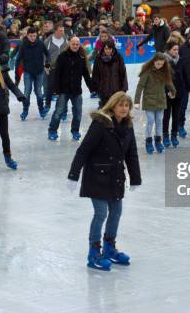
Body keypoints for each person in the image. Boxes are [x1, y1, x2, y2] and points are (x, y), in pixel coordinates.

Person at [67, 92, 141, 271]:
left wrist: (135, 178)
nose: (124, 109)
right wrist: (73, 175)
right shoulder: (101, 124)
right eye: (121, 105)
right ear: (113, 105)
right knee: (101, 213)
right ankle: (94, 253)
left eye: (127, 106)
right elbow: (83, 150)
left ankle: (109, 248)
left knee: (116, 212)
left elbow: (131, 153)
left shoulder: (128, 126)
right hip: (97, 176)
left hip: (115, 177)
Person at [48, 36, 95, 141]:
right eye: (73, 44)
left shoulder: (81, 58)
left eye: (77, 44)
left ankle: (75, 131)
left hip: (76, 91)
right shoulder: (62, 57)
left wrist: (92, 88)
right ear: (69, 44)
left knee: (78, 113)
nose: (75, 46)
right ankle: (52, 130)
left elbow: (86, 75)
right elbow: (57, 74)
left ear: (79, 45)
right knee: (59, 112)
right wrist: (56, 89)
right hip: (63, 90)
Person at [134, 53, 176, 154]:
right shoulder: (147, 72)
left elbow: (169, 83)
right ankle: (148, 141)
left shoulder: (164, 72)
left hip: (160, 100)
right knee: (151, 120)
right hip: (149, 100)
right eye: (158, 64)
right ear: (154, 61)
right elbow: (140, 86)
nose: (159, 66)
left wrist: (173, 92)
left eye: (161, 64)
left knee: (159, 121)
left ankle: (158, 142)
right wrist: (136, 101)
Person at [17, 27, 50, 121]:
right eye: (31, 36)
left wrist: (47, 62)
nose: (33, 38)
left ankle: (41, 109)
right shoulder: (23, 44)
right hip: (28, 72)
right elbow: (19, 58)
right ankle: (25, 110)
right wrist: (17, 71)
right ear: (27, 35)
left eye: (35, 36)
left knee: (39, 93)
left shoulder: (40, 43)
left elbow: (47, 54)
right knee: (27, 93)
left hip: (39, 72)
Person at [92, 39, 128, 107]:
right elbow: (95, 74)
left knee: (115, 111)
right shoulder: (98, 58)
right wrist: (95, 88)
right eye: (106, 49)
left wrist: (124, 88)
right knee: (105, 111)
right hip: (103, 90)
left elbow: (123, 73)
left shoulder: (118, 57)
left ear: (113, 48)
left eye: (109, 48)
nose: (108, 50)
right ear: (103, 49)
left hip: (116, 90)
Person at [162, 40, 184, 148]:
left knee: (176, 115)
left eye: (177, 49)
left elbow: (185, 75)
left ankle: (174, 135)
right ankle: (165, 135)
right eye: (174, 49)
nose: (176, 52)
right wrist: (167, 91)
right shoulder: (163, 61)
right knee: (166, 115)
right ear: (168, 50)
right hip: (168, 93)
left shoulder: (181, 60)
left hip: (179, 91)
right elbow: (161, 79)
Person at [43, 23, 68, 111]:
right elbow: (44, 53)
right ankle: (47, 104)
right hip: (52, 67)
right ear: (56, 31)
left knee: (64, 88)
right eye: (60, 30)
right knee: (50, 87)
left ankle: (64, 108)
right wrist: (46, 64)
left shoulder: (66, 39)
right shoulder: (48, 41)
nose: (62, 32)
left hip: (64, 67)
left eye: (63, 30)